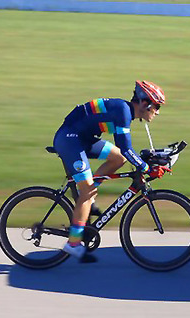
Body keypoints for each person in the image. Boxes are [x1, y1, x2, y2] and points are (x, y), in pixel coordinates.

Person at [53, 80, 171, 262]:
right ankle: (73, 244)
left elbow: (124, 153)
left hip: (82, 137)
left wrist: (143, 164)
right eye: (156, 106)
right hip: (70, 140)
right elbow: (126, 147)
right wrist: (146, 168)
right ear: (145, 103)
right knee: (87, 191)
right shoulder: (123, 112)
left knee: (118, 159)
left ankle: (88, 197)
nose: (157, 112)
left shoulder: (125, 112)